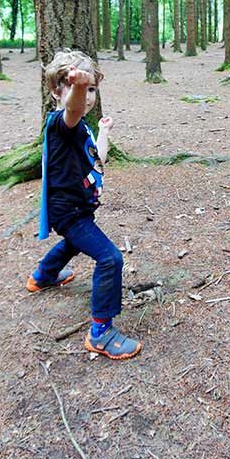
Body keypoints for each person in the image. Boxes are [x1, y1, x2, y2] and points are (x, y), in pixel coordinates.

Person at [26, 49, 141, 360]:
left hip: (79, 210)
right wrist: (78, 86)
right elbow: (73, 110)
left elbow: (98, 158)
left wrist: (103, 131)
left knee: (75, 244)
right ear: (55, 90)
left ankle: (42, 276)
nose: (87, 96)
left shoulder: (84, 129)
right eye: (78, 87)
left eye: (92, 89)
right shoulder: (62, 124)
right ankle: (101, 332)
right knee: (109, 258)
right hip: (70, 212)